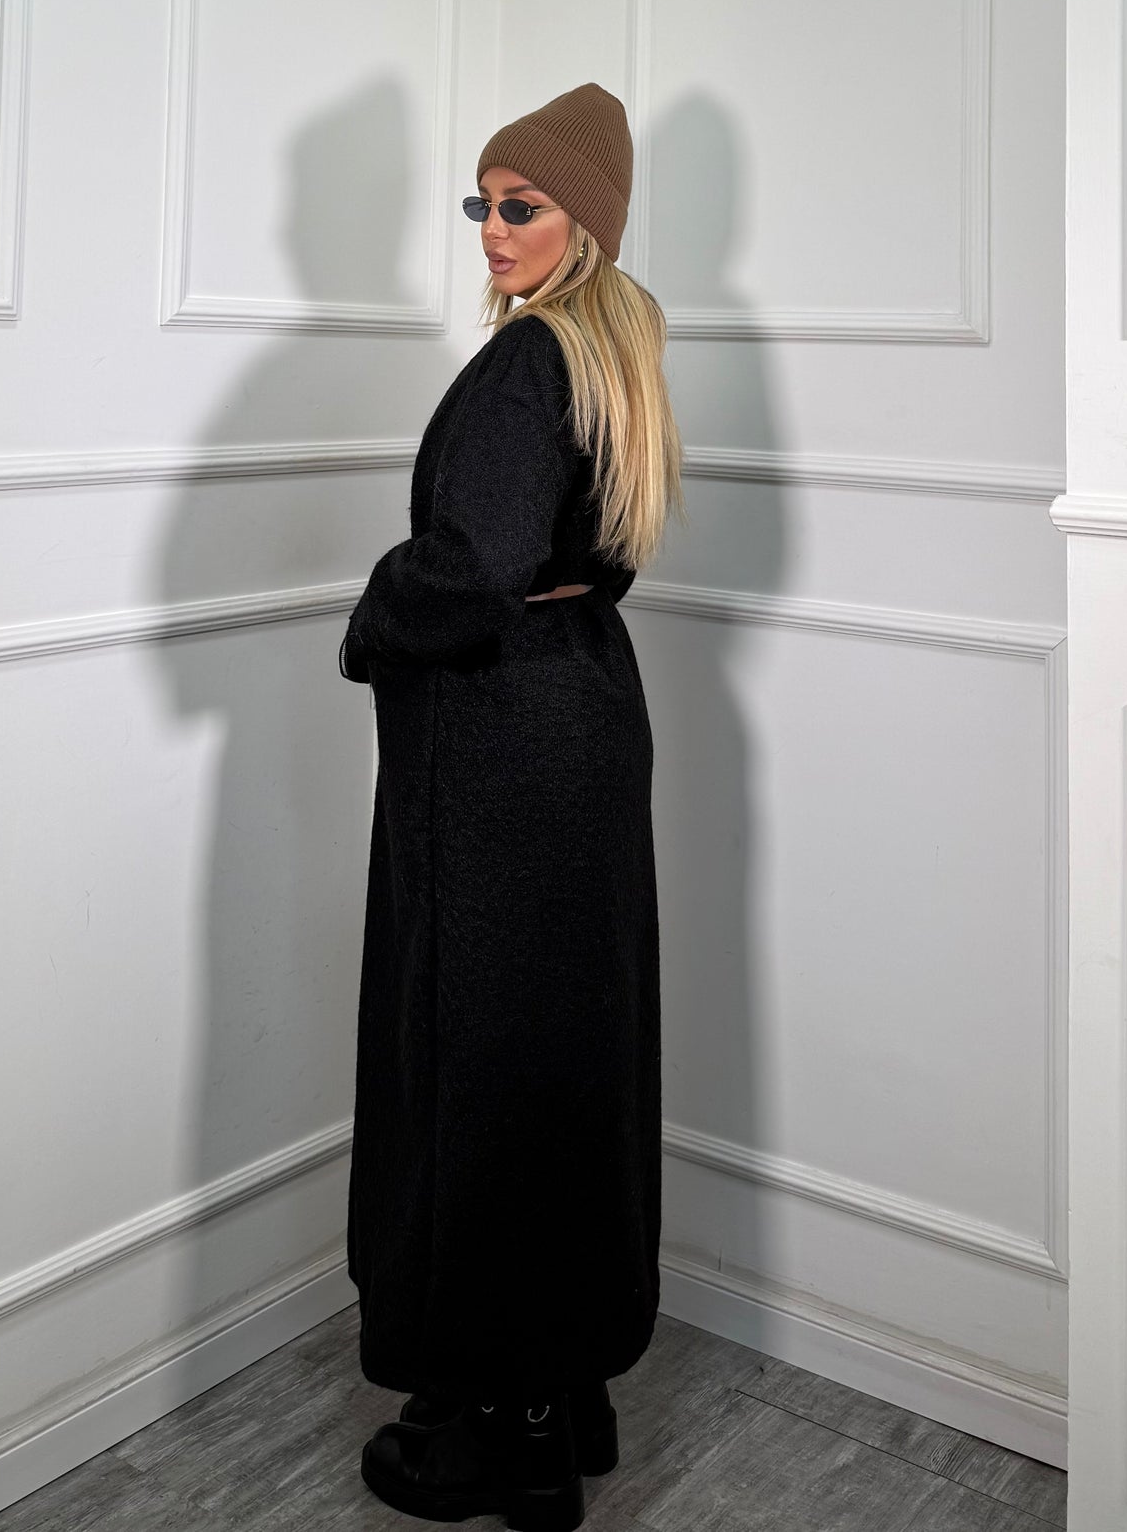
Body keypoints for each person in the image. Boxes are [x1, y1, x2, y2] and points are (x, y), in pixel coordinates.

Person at [337, 82, 683, 1531]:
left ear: (581, 220)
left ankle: (506, 1432)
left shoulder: (526, 365)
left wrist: (375, 613)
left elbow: (472, 567)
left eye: (520, 205)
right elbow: (597, 560)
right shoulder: (618, 351)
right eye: (480, 203)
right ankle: (563, 1392)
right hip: (582, 722)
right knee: (564, 1047)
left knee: (481, 1057)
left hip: (495, 749)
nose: (491, 227)